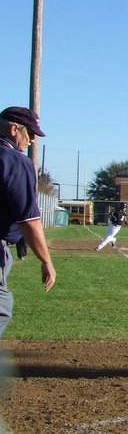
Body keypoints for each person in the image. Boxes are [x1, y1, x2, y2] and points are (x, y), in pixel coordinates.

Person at [0, 106, 57, 338]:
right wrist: (46, 261)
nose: (33, 140)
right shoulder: (15, 160)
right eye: (30, 134)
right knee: (1, 310)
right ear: (14, 129)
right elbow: (30, 221)